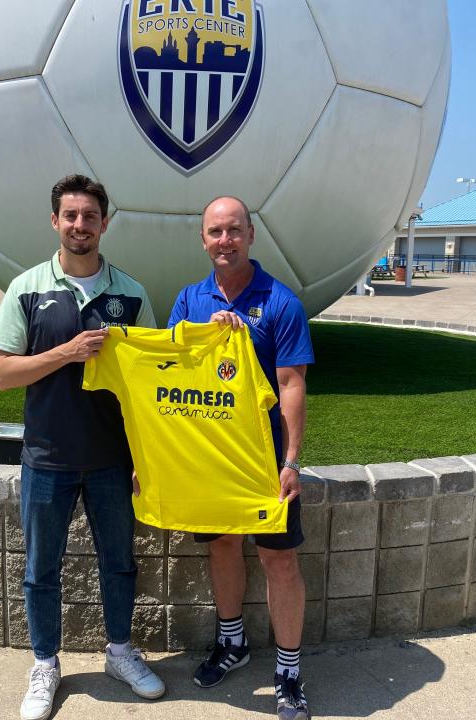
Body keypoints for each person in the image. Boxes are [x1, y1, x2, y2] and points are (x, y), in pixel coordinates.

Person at [0, 174, 164, 720]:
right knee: (42, 567)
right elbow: (3, 373)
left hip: (112, 461)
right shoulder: (27, 287)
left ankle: (119, 652)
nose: (80, 225)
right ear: (55, 222)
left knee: (119, 564)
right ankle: (45, 663)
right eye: (71, 216)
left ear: (105, 223)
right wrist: (66, 352)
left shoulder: (131, 294)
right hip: (47, 459)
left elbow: (153, 386)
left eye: (90, 216)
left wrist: (145, 458)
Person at [167, 196, 315, 720]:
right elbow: (173, 378)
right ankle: (232, 644)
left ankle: (289, 671)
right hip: (211, 460)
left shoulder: (280, 302)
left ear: (251, 235)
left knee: (279, 559)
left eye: (233, 231)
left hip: (264, 462)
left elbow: (292, 383)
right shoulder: (189, 300)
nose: (224, 241)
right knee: (223, 547)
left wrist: (291, 460)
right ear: (203, 239)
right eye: (214, 232)